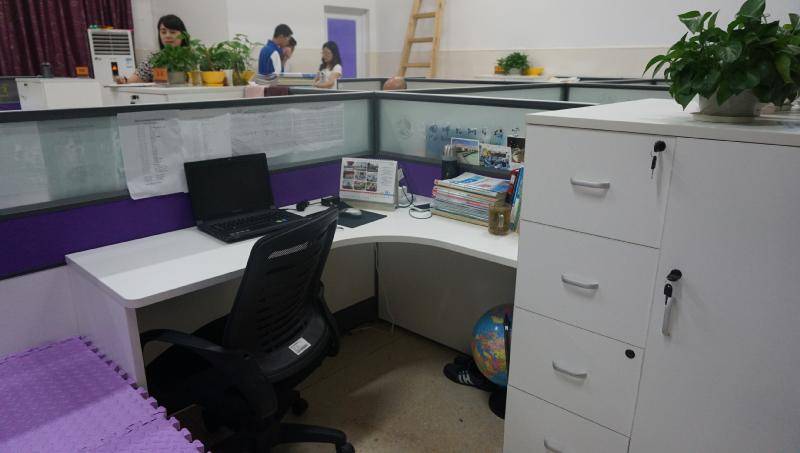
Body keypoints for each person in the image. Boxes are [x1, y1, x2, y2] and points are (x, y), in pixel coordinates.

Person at [116, 14, 188, 84]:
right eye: (163, 32)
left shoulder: (191, 57)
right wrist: (124, 80)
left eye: (172, 32)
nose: (167, 36)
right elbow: (131, 81)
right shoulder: (154, 58)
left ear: (183, 35)